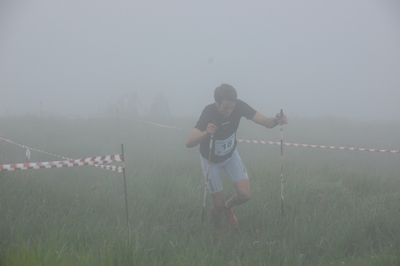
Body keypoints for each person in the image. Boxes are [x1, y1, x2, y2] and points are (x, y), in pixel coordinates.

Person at [185, 83, 288, 231]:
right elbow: (189, 143)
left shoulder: (239, 106)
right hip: (210, 160)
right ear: (217, 103)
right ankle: (217, 231)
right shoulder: (208, 112)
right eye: (225, 107)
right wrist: (206, 133)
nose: (229, 111)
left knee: (245, 195)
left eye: (232, 107)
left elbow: (266, 122)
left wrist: (277, 120)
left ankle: (227, 208)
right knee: (217, 206)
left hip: (230, 155)